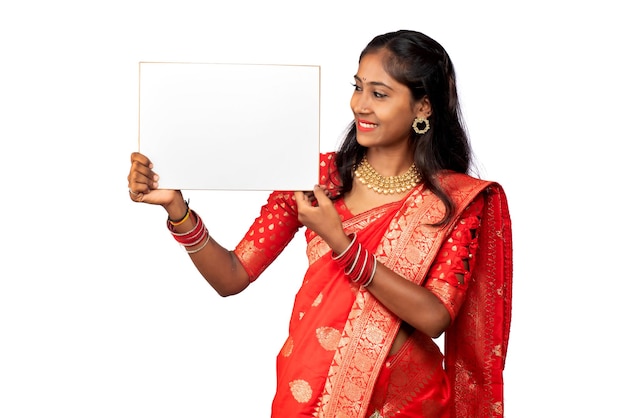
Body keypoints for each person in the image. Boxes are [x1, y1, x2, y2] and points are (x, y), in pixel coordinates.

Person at [127, 29, 513, 418]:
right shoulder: (318, 178)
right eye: (358, 87)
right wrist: (177, 210)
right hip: (309, 396)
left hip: (410, 405)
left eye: (379, 94)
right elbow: (231, 276)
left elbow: (434, 317)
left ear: (422, 108)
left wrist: (340, 241)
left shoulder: (454, 200)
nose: (360, 105)